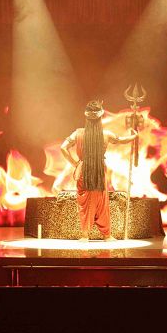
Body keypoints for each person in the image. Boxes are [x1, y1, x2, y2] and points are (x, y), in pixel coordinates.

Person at [61, 100, 138, 241]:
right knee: (101, 202)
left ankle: (85, 235)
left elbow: (63, 147)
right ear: (100, 117)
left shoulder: (78, 133)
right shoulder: (106, 134)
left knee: (86, 203)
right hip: (98, 170)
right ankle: (106, 235)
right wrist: (134, 135)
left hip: (83, 170)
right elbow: (122, 140)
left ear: (87, 117)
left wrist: (75, 163)